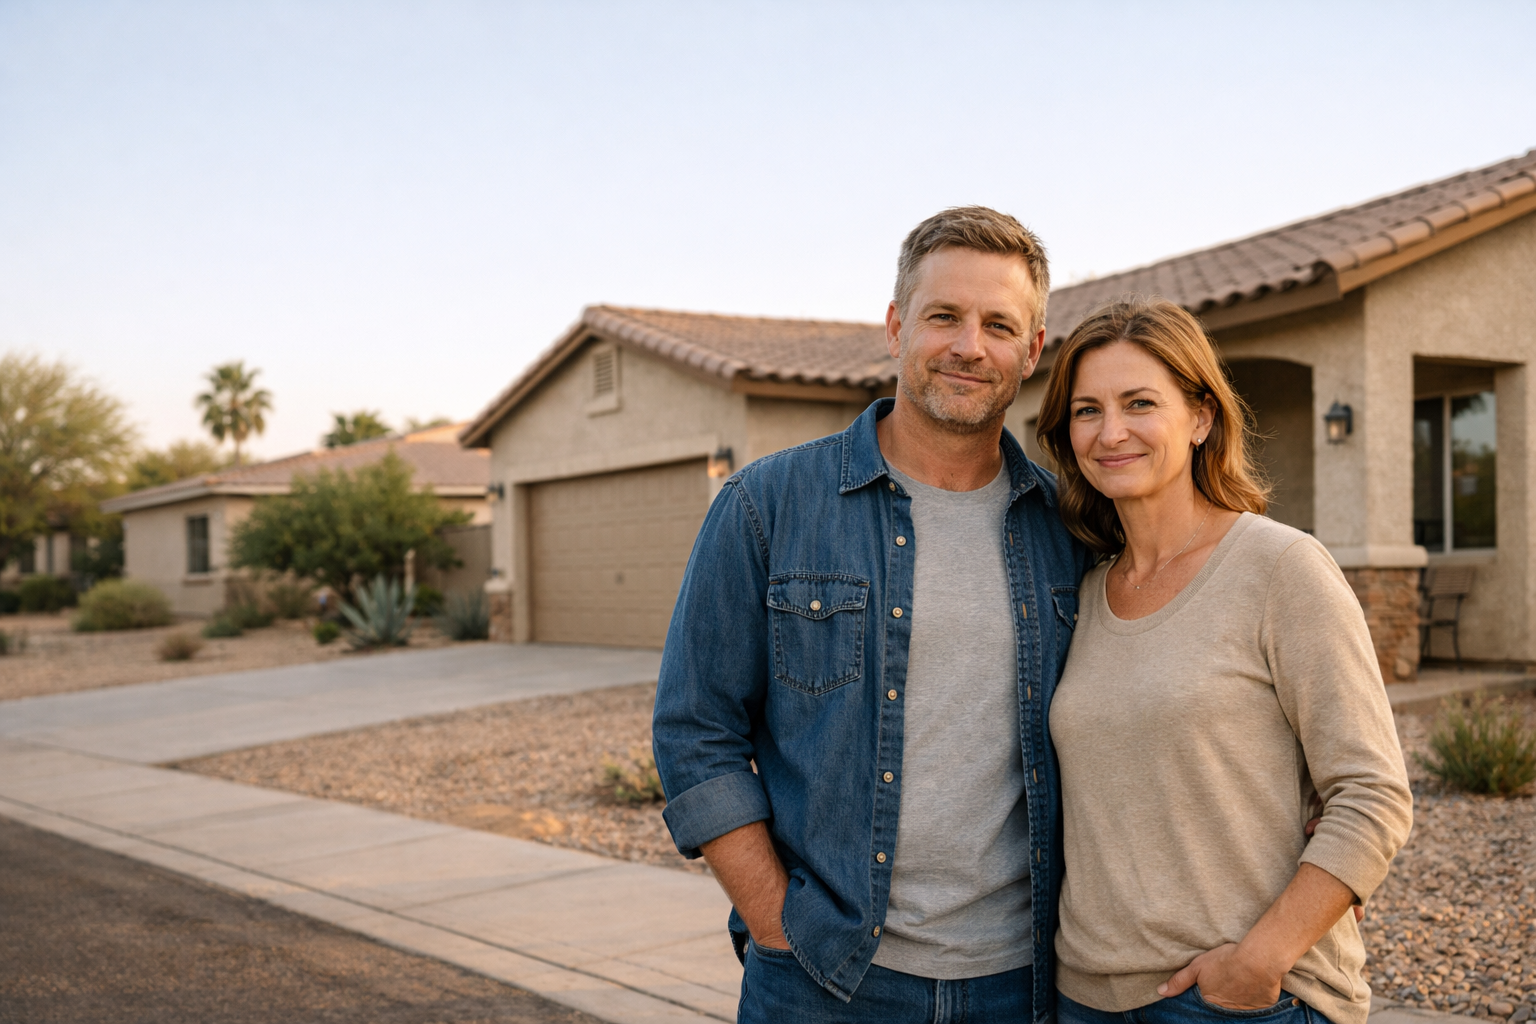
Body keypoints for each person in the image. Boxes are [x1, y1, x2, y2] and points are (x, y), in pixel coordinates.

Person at [652, 206, 1090, 1023]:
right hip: (825, 976)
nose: (970, 345)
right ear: (895, 327)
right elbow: (694, 729)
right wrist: (776, 921)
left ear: (1032, 351)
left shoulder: (1073, 527)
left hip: (1026, 983)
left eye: (1000, 324)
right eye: (944, 317)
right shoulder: (767, 505)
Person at [1034, 299, 1413, 1024]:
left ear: (1201, 417)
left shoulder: (1280, 569)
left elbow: (1372, 793)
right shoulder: (1077, 595)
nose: (1110, 432)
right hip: (1085, 997)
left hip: (1236, 1000)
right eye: (1087, 410)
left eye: (1139, 403)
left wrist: (1262, 958)